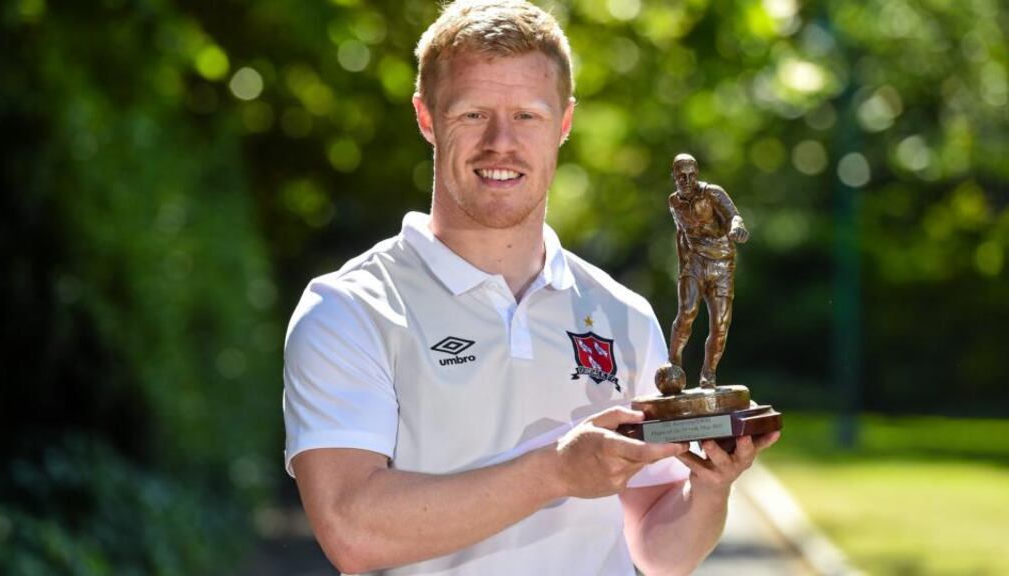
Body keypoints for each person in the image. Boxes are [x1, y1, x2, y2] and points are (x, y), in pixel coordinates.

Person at [282, 2, 779, 574]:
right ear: (426, 117)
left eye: (528, 116)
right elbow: (352, 531)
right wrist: (557, 471)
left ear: (564, 124)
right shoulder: (349, 308)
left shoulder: (621, 313)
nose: (501, 142)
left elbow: (658, 548)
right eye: (472, 114)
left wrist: (710, 488)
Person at [667, 154, 749, 389]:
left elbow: (735, 217)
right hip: (694, 263)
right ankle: (673, 365)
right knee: (686, 314)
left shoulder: (712, 193)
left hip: (722, 265)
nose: (687, 180)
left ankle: (709, 374)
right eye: (682, 176)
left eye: (692, 175)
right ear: (673, 176)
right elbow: (681, 234)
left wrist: (738, 229)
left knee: (720, 325)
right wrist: (683, 266)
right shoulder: (674, 202)